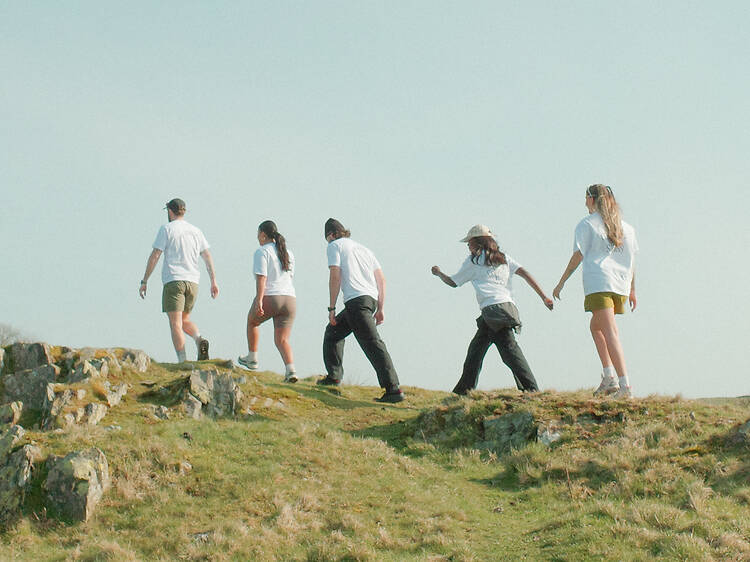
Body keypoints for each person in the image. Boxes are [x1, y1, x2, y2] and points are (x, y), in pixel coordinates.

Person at [432, 225, 553, 395]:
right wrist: (544, 297)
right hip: (507, 308)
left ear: (477, 242)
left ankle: (532, 389)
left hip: (493, 311)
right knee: (476, 351)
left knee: (509, 351)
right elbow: (525, 273)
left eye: (469, 243)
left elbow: (453, 282)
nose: (468, 246)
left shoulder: (473, 261)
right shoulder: (504, 259)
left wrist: (439, 273)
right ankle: (463, 391)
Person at [553, 184, 638, 399]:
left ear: (592, 199)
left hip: (600, 282)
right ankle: (609, 377)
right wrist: (632, 290)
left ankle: (625, 385)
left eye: (586, 198)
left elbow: (578, 255)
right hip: (620, 285)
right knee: (596, 327)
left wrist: (561, 282)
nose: (584, 203)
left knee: (609, 332)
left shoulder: (587, 224)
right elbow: (632, 261)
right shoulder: (626, 228)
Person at [319, 218, 404, 403]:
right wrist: (380, 307)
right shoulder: (365, 250)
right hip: (369, 300)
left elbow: (335, 275)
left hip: (356, 302)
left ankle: (393, 389)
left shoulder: (334, 246)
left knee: (372, 343)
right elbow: (381, 280)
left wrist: (332, 308)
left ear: (331, 235)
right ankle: (333, 376)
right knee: (333, 332)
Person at [139, 198, 219, 363]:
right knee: (184, 320)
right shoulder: (196, 231)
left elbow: (155, 255)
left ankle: (182, 361)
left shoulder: (166, 229)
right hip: (193, 282)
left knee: (175, 323)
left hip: (174, 280)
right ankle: (198, 339)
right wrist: (213, 281)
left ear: (170, 211)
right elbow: (207, 256)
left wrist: (144, 280)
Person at [238, 220, 298, 383]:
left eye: (258, 235)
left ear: (263, 235)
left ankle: (252, 358)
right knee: (282, 340)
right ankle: (291, 371)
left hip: (272, 296)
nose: (258, 238)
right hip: (290, 299)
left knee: (252, 322)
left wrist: (259, 300)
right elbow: (290, 276)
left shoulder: (262, 252)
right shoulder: (288, 253)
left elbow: (262, 278)